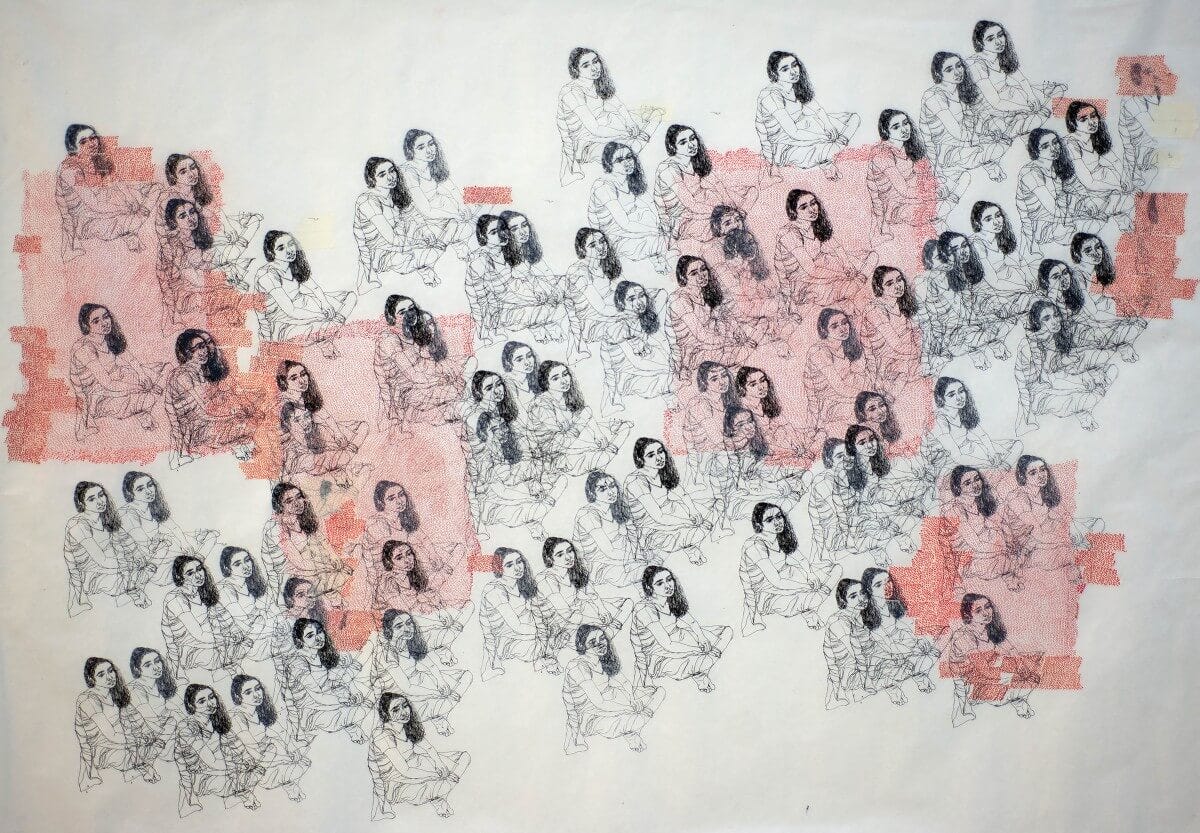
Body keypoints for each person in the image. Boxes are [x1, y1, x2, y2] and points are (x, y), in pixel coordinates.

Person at [919, 51, 1009, 224]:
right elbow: (960, 134)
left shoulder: (963, 91)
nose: (957, 71)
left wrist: (990, 134)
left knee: (1002, 138)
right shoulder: (934, 96)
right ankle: (934, 216)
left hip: (962, 148)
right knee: (995, 147)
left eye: (959, 66)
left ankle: (937, 217)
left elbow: (984, 116)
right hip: (942, 154)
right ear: (938, 74)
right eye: (949, 69)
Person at [556, 47, 663, 185]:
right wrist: (627, 133)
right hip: (585, 143)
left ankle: (636, 142)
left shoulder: (597, 83)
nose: (594, 68)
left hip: (605, 122)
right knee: (625, 152)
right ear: (576, 70)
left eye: (595, 61)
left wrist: (630, 123)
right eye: (586, 65)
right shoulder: (570, 92)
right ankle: (635, 144)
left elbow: (619, 106)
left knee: (656, 114)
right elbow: (594, 128)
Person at [1015, 300, 1118, 432]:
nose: (1054, 321)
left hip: (1058, 381)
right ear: (1037, 322)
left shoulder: (1054, 337)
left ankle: (1084, 405)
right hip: (1040, 396)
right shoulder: (1027, 345)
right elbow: (1028, 383)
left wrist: (1081, 373)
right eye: (1046, 318)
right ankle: (1086, 405)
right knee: (1079, 398)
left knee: (1111, 370)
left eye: (1055, 315)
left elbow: (1057, 367)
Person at [739, 502, 840, 636]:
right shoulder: (754, 546)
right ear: (759, 525)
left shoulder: (780, 536)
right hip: (764, 593)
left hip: (786, 577)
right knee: (811, 596)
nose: (777, 522)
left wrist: (810, 574)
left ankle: (812, 604)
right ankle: (815, 599)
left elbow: (801, 559)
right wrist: (805, 586)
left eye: (779, 516)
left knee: (834, 569)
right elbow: (777, 581)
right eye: (769, 520)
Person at [755, 51, 860, 178]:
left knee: (854, 119)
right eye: (785, 69)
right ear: (774, 73)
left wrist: (828, 125)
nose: (793, 71)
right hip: (785, 145)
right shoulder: (770, 95)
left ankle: (831, 151)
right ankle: (829, 156)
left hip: (805, 127)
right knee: (825, 147)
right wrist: (822, 137)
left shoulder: (796, 87)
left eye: (794, 65)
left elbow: (818, 109)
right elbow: (793, 132)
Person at [562, 624, 664, 754]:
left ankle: (633, 726)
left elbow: (624, 682)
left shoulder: (603, 659)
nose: (600, 644)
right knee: (635, 718)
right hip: (590, 715)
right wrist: (630, 708)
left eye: (602, 638)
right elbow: (599, 702)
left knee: (660, 692)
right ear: (582, 646)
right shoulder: (577, 666)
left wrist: (633, 700)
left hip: (611, 699)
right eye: (593, 642)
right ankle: (632, 729)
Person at [164, 329, 260, 466]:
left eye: (204, 346)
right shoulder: (183, 375)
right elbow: (206, 411)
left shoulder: (199, 373)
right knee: (249, 425)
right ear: (187, 352)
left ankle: (243, 452)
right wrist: (232, 416)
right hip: (196, 432)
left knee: (249, 420)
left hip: (203, 427)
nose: (204, 351)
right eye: (198, 347)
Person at [369, 610, 473, 736]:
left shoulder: (409, 641)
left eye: (409, 623)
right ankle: (438, 714)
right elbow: (407, 688)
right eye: (399, 626)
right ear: (389, 631)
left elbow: (429, 664)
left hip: (418, 680)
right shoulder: (386, 653)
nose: (407, 629)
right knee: (442, 699)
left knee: (466, 676)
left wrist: (440, 681)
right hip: (397, 694)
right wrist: (436, 693)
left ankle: (439, 712)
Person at [629, 566, 733, 693]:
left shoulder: (671, 599)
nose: (668, 585)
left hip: (679, 637)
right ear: (649, 588)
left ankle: (701, 670)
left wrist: (702, 638)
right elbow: (667, 644)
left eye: (669, 579)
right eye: (660, 583)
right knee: (702, 658)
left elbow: (692, 622)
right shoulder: (644, 609)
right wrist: (698, 650)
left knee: (726, 632)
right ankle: (701, 671)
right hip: (658, 655)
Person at [56, 124, 151, 260]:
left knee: (147, 191)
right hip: (84, 219)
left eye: (93, 138)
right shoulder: (70, 170)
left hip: (100, 205)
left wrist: (132, 201)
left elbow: (117, 182)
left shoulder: (96, 158)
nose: (91, 144)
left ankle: (131, 234)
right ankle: (130, 234)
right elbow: (94, 204)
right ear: (73, 148)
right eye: (83, 142)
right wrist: (126, 209)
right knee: (127, 219)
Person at [369, 692, 470, 819]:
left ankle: (440, 792)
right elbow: (405, 771)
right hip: (397, 781)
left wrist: (439, 764)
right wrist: (435, 775)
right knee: (436, 783)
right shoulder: (382, 736)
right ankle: (439, 795)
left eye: (405, 706)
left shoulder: (407, 726)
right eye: (395, 709)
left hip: (416, 763)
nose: (404, 712)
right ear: (385, 714)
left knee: (464, 757)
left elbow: (428, 748)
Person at [254, 230, 355, 357]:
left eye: (291, 244)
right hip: (280, 321)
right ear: (271, 253)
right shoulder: (267, 275)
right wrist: (320, 316)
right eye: (281, 248)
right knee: (319, 326)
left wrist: (325, 303)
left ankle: (327, 332)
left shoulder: (293, 265)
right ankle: (326, 335)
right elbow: (290, 310)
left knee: (350, 297)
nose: (289, 250)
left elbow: (315, 288)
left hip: (302, 303)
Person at [69, 303, 162, 439]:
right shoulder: (83, 349)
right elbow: (108, 384)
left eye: (106, 317)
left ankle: (142, 411)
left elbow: (131, 359)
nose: (104, 323)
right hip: (96, 394)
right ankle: (142, 412)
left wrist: (142, 375)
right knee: (147, 396)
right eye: (96, 321)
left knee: (161, 372)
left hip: (117, 377)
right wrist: (139, 387)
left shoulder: (107, 337)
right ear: (86, 326)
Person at [946, 594, 1040, 727]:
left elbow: (1013, 652)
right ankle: (1005, 698)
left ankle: (1017, 698)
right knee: (1018, 682)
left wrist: (1025, 667)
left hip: (989, 667)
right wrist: (1015, 676)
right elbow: (985, 671)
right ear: (968, 616)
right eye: (978, 610)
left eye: (987, 607)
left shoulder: (989, 628)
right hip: (969, 679)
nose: (986, 613)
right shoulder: (963, 636)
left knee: (1029, 672)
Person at [775, 189, 877, 311]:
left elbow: (837, 247)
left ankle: (855, 283)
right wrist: (840, 274)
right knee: (848, 289)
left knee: (872, 256)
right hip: (801, 280)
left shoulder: (815, 224)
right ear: (793, 212)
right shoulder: (788, 233)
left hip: (821, 264)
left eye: (813, 203)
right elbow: (810, 269)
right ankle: (857, 283)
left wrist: (847, 265)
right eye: (804, 207)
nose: (812, 209)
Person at [353, 155, 445, 290]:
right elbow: (391, 238)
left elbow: (414, 215)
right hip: (379, 252)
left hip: (400, 240)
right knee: (430, 252)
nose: (390, 177)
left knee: (440, 234)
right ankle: (424, 268)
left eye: (392, 171)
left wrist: (426, 231)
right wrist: (417, 244)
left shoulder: (396, 193)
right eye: (382, 174)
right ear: (372, 179)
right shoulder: (367, 201)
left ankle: (424, 267)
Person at [964, 21, 1065, 143]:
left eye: (1000, 35)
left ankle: (1035, 121)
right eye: (990, 39)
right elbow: (995, 102)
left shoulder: (1001, 56)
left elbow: (1021, 79)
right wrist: (1028, 108)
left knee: (1058, 90)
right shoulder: (975, 64)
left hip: (1009, 94)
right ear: (980, 43)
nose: (998, 41)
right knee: (1036, 114)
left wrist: (1031, 97)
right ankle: (1029, 124)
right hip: (991, 109)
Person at [527, 360, 631, 478]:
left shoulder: (567, 397)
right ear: (546, 383)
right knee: (600, 453)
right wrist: (592, 444)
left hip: (574, 441)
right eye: (555, 378)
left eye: (565, 374)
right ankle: (604, 454)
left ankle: (605, 452)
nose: (564, 380)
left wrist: (599, 435)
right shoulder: (541, 404)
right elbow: (561, 441)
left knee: (624, 427)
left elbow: (584, 418)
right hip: (556, 455)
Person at [1016, 128, 1113, 254]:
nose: (1053, 148)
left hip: (1064, 208)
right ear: (1035, 151)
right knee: (1090, 229)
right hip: (1044, 223)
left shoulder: (1057, 164)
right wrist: (1078, 218)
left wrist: (1088, 202)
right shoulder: (1030, 173)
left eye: (1055, 142)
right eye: (1045, 146)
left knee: (1104, 203)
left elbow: (1075, 185)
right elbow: (1052, 208)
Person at [374, 540, 471, 665]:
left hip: (420, 621)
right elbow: (405, 611)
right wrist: (438, 615)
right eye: (399, 558)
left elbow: (432, 592)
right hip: (400, 628)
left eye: (409, 554)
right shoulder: (387, 581)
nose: (407, 560)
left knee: (468, 605)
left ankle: (441, 643)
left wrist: (441, 612)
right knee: (426, 619)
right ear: (389, 563)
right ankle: (441, 645)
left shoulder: (413, 575)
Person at [75, 657, 164, 792]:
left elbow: (136, 717)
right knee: (135, 753)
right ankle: (139, 769)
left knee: (158, 743)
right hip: (100, 749)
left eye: (110, 671)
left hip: (123, 741)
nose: (109, 676)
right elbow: (111, 735)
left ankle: (138, 767)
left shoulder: (115, 693)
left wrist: (148, 734)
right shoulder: (88, 700)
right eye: (101, 674)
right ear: (91, 679)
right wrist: (138, 741)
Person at [117, 470, 219, 588]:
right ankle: (194, 563)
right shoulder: (127, 513)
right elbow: (144, 545)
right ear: (130, 493)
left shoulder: (153, 506)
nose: (148, 491)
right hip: (156, 561)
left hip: (167, 547)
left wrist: (185, 544)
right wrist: (168, 541)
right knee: (183, 544)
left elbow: (174, 527)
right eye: (140, 489)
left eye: (150, 485)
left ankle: (193, 562)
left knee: (211, 536)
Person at [156, 198, 247, 329]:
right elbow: (194, 280)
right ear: (174, 222)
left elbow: (204, 263)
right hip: (185, 296)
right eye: (182, 216)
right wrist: (225, 279)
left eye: (192, 212)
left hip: (200, 285)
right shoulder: (173, 245)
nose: (190, 218)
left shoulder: (195, 236)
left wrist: (226, 244)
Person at [624, 437, 717, 565]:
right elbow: (659, 517)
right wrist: (689, 522)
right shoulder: (636, 481)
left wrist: (693, 511)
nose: (659, 457)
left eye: (660, 451)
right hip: (650, 525)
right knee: (692, 529)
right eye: (651, 455)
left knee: (709, 513)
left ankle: (689, 546)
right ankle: (686, 549)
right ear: (640, 459)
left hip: (669, 510)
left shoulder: (662, 471)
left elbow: (682, 494)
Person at [173, 684, 263, 815]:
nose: (210, 703)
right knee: (235, 780)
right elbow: (212, 761)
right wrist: (238, 768)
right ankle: (241, 796)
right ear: (192, 706)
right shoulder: (186, 726)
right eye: (202, 701)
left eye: (211, 697)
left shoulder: (216, 719)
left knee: (258, 770)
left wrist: (248, 760)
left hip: (221, 770)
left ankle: (241, 794)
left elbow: (236, 744)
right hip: (197, 776)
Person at [276, 359, 368, 486]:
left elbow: (326, 417)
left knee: (363, 427)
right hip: (300, 452)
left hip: (314, 439)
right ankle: (342, 461)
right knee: (318, 458)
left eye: (303, 374)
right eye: (294, 378)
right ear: (284, 383)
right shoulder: (286, 406)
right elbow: (299, 439)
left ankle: (341, 460)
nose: (301, 381)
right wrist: (329, 445)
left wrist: (337, 433)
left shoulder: (305, 397)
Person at [63, 481, 149, 615]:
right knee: (123, 581)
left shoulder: (105, 517)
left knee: (148, 567)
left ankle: (132, 590)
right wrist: (129, 565)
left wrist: (138, 555)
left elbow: (126, 539)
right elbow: (102, 560)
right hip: (89, 574)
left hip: (112, 565)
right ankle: (131, 593)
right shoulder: (78, 526)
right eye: (92, 499)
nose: (100, 501)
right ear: (81, 503)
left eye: (101, 495)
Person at [260, 482, 353, 607]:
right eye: (289, 501)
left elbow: (321, 540)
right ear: (280, 506)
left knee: (336, 572)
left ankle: (336, 603)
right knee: (337, 577)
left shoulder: (302, 517)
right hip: (288, 576)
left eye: (298, 497)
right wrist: (331, 568)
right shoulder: (275, 527)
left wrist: (334, 557)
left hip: (310, 568)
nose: (297, 503)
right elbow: (300, 563)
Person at [669, 255, 757, 383]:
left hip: (712, 339)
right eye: (694, 273)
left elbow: (725, 316)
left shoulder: (705, 291)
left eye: (703, 269)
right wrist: (732, 341)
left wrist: (740, 335)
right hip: (692, 351)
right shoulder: (679, 300)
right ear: (683, 278)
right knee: (736, 355)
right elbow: (702, 335)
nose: (701, 275)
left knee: (752, 335)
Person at [282, 617, 370, 745]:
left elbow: (327, 682)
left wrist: (349, 692)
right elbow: (317, 694)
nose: (318, 637)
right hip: (310, 712)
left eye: (319, 631)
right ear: (300, 641)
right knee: (361, 711)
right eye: (310, 636)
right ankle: (353, 729)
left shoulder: (318, 655)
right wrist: (342, 700)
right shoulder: (297, 662)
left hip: (326, 701)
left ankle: (353, 728)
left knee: (361, 701)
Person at [160, 555, 248, 682]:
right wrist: (227, 638)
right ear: (180, 577)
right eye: (190, 573)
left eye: (199, 569)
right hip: (187, 649)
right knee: (224, 654)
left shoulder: (202, 591)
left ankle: (228, 672)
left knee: (242, 643)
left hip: (211, 640)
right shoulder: (175, 599)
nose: (198, 575)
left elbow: (223, 614)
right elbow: (199, 634)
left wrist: (235, 630)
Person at [478, 547, 562, 680]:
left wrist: (552, 625)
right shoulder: (494, 590)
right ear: (499, 568)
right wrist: (543, 631)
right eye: (509, 565)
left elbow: (543, 609)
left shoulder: (523, 584)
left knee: (560, 633)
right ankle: (543, 661)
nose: (517, 567)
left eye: (519, 561)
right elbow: (516, 626)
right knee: (539, 645)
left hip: (529, 632)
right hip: (505, 639)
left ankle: (545, 659)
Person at [860, 568, 938, 705]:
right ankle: (893, 689)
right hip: (881, 651)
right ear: (869, 590)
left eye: (888, 581)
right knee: (891, 670)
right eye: (878, 585)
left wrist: (918, 641)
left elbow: (907, 627)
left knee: (928, 649)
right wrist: (911, 649)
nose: (886, 587)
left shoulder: (894, 604)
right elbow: (885, 644)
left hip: (900, 640)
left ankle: (920, 677)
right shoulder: (868, 615)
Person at [1039, 256, 1145, 357]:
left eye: (1065, 273)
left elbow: (1090, 320)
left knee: (1129, 328)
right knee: (1128, 331)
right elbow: (1054, 341)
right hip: (1070, 343)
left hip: (1084, 333)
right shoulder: (1047, 305)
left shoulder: (1068, 297)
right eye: (1056, 277)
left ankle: (1122, 345)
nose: (1064, 279)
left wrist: (1123, 321)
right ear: (1046, 282)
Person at [655, 123, 743, 244]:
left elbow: (717, 184)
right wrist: (722, 212)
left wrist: (731, 205)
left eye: (692, 138)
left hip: (701, 202)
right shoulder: (667, 169)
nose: (691, 145)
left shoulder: (694, 159)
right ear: (672, 146)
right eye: (683, 142)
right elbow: (691, 204)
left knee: (743, 198)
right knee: (721, 226)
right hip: (682, 216)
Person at [228, 674, 310, 801]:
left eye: (258, 688)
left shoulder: (258, 710)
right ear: (238, 697)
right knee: (297, 766)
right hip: (255, 766)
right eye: (248, 692)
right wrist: (282, 756)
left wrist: (290, 748)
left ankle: (294, 792)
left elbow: (278, 733)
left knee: (296, 755)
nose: (256, 694)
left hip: (269, 754)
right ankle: (292, 789)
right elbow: (254, 752)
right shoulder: (236, 717)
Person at [587, 141, 667, 270]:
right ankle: (657, 258)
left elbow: (649, 204)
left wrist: (659, 225)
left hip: (630, 229)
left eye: (629, 157)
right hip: (613, 238)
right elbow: (625, 224)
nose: (627, 162)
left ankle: (658, 260)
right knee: (664, 242)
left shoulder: (629, 179)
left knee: (648, 215)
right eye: (619, 160)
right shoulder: (603, 186)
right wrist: (653, 230)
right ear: (609, 164)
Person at [940, 465, 1019, 592]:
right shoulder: (954, 510)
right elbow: (975, 544)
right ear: (958, 488)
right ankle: (1008, 574)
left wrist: (1008, 542)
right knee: (1003, 562)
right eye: (967, 483)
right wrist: (1002, 548)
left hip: (988, 548)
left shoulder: (980, 502)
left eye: (977, 479)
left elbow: (999, 526)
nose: (975, 485)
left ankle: (1009, 572)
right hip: (969, 556)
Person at [538, 537, 632, 636]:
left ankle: (607, 632)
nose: (568, 557)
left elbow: (591, 592)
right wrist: (599, 621)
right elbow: (566, 614)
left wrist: (602, 610)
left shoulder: (572, 570)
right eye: (560, 555)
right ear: (549, 559)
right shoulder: (545, 579)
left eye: (570, 551)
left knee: (628, 603)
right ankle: (605, 633)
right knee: (609, 624)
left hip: (581, 610)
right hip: (564, 623)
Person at [803, 307, 877, 435]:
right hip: (831, 404)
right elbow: (839, 387)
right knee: (867, 412)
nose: (842, 329)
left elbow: (867, 371)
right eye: (834, 326)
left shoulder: (848, 345)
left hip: (852, 395)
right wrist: (864, 398)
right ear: (824, 330)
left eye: (844, 323)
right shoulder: (819, 351)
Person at [601, 280, 672, 411]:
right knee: (672, 380)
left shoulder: (641, 318)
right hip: (628, 378)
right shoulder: (617, 327)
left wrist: (640, 293)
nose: (639, 302)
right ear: (621, 303)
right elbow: (637, 363)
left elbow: (663, 293)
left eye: (642, 296)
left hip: (646, 368)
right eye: (632, 299)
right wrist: (671, 368)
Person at [399, 129, 473, 254]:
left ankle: (444, 249)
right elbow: (426, 210)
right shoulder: (408, 172)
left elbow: (452, 188)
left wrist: (462, 206)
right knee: (458, 226)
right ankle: (438, 251)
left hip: (438, 214)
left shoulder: (432, 166)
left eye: (431, 144)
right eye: (421, 147)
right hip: (419, 219)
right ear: (411, 151)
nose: (429, 150)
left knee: (466, 227)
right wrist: (455, 214)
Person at [924, 376, 1021, 472]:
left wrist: (992, 453)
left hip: (969, 448)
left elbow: (982, 435)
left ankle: (1002, 468)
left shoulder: (963, 411)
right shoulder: (938, 419)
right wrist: (988, 463)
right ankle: (998, 470)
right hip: (949, 459)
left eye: (961, 391)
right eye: (951, 395)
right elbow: (956, 456)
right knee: (986, 463)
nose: (959, 398)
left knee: (1018, 445)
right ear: (941, 399)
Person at [1063, 101, 1134, 230]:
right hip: (1082, 190)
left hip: (1100, 183)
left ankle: (1120, 222)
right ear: (1073, 123)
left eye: (1093, 116)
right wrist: (1117, 186)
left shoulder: (1094, 137)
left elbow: (1115, 161)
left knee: (1128, 198)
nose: (1091, 122)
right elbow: (1087, 181)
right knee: (1126, 200)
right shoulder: (1070, 143)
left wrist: (1124, 178)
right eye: (1083, 119)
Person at [573, 470, 651, 588]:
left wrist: (638, 557)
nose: (610, 492)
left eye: (612, 486)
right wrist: (633, 560)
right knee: (645, 573)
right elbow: (609, 551)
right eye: (602, 489)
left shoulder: (618, 508)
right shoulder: (587, 514)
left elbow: (633, 537)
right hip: (601, 566)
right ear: (592, 493)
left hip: (624, 559)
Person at [866, 109, 931, 239]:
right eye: (896, 127)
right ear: (885, 131)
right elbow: (904, 190)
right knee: (929, 212)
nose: (904, 129)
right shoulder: (881, 154)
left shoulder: (907, 147)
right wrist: (930, 194)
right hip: (891, 207)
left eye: (905, 123)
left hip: (910, 198)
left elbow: (919, 176)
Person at [563, 227, 624, 361]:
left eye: (602, 241)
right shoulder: (578, 271)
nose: (600, 247)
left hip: (609, 312)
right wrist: (626, 310)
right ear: (582, 250)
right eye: (592, 245)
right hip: (591, 323)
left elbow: (618, 292)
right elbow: (601, 308)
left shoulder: (604, 265)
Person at [860, 267, 923, 393]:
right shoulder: (874, 310)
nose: (897, 286)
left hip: (906, 356)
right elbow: (896, 345)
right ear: (880, 288)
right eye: (889, 283)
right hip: (886, 364)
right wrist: (922, 351)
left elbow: (916, 332)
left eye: (899, 280)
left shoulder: (900, 304)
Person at [968, 200, 1032, 319]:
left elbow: (1017, 262)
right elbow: (994, 281)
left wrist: (1026, 279)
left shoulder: (999, 236)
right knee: (1025, 303)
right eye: (988, 219)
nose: (996, 222)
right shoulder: (976, 244)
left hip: (1006, 281)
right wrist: (1022, 287)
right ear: (978, 223)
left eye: (998, 216)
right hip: (988, 289)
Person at [215, 546, 275, 661]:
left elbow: (270, 611)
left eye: (247, 560)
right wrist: (262, 619)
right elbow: (244, 625)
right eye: (237, 564)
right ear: (227, 568)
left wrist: (263, 619)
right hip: (246, 644)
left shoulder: (252, 583)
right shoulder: (224, 589)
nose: (245, 566)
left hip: (262, 635)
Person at [822, 579, 871, 709]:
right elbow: (854, 651)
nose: (861, 599)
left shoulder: (862, 616)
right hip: (845, 670)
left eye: (863, 593)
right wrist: (867, 681)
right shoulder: (837, 620)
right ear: (843, 600)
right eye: (853, 596)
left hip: (862, 663)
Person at [127, 647, 180, 756]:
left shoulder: (159, 685)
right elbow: (151, 721)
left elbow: (174, 710)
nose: (156, 667)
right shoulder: (135, 689)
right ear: (137, 669)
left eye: (157, 661)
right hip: (143, 741)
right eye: (148, 665)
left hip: (162, 736)